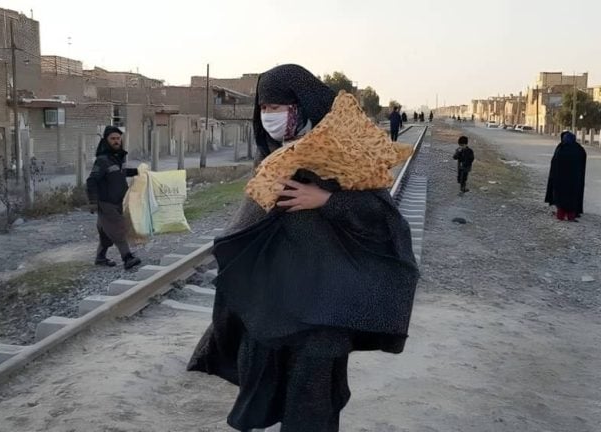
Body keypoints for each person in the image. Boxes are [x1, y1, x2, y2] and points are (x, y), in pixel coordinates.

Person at [188, 64, 419, 432]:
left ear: (301, 107)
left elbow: (386, 220)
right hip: (276, 302)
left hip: (325, 306)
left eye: (277, 108)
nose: (269, 117)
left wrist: (327, 200)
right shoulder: (273, 156)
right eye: (264, 109)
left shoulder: (344, 151)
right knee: (266, 382)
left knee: (312, 400)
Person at [86, 126, 142, 269]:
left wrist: (138, 171)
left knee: (106, 234)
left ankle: (100, 258)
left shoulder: (118, 158)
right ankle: (127, 258)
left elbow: (121, 173)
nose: (116, 141)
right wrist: (92, 202)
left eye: (118, 138)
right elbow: (91, 180)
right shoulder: (102, 160)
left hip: (119, 202)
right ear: (106, 140)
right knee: (119, 229)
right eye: (113, 139)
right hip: (106, 203)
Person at [545, 131, 586, 221]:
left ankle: (561, 215)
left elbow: (554, 163)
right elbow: (582, 163)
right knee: (572, 197)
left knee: (561, 197)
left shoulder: (561, 149)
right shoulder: (578, 149)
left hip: (560, 180)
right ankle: (571, 215)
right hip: (574, 180)